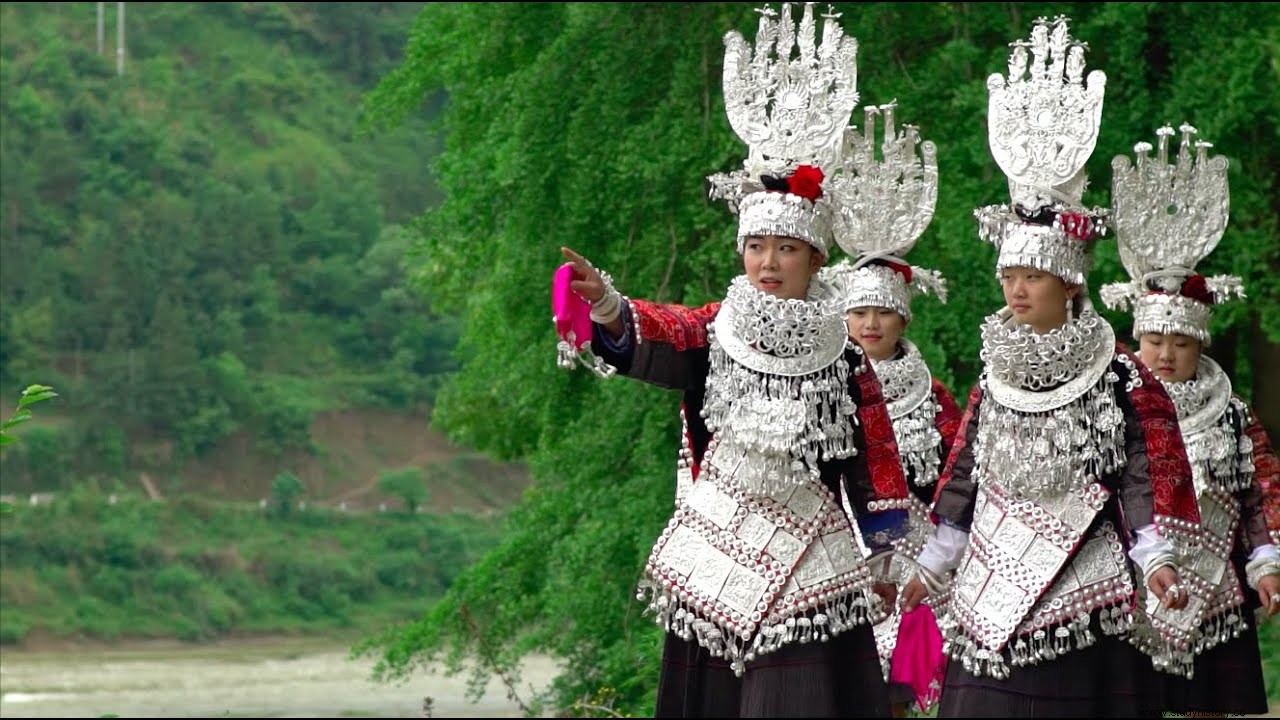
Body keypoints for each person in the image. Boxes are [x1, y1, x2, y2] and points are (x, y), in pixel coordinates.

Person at [551, 5, 909, 717]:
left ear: (814, 257)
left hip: (811, 552)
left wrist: (889, 554)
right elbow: (659, 331)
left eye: (785, 249)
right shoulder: (718, 331)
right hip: (717, 551)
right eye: (756, 248)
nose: (768, 263)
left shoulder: (842, 357)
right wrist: (607, 307)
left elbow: (874, 466)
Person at [897, 16, 1204, 718]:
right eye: (1010, 274)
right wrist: (933, 563)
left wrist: (1153, 558)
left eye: (1035, 274)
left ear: (1069, 284)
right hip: (988, 580)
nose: (1018, 288)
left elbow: (1139, 474)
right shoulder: (992, 376)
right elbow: (964, 476)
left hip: (1083, 579)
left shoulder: (1120, 375)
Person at [1100, 123, 1280, 716]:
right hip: (1131, 583)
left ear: (1199, 344)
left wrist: (1266, 562)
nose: (1165, 354)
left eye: (1179, 342)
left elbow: (1261, 495)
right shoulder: (1114, 405)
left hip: (1218, 584)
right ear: (1138, 338)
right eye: (1154, 340)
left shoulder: (1232, 413)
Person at [821, 102, 959, 717]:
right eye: (859, 313)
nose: (870, 323)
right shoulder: (826, 379)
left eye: (882, 313)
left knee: (904, 694)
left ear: (903, 316)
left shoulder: (931, 392)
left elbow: (959, 472)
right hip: (843, 549)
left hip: (918, 554)